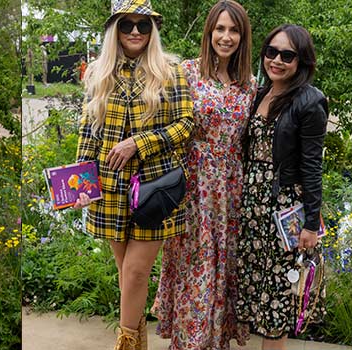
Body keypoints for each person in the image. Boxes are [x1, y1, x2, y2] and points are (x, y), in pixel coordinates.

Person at [71, 0, 193, 348]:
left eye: (143, 25)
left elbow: (186, 125)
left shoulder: (172, 71)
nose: (136, 32)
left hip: (156, 188)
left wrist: (139, 143)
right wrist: (79, 184)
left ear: (153, 29)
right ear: (115, 30)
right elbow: (87, 132)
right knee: (126, 275)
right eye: (127, 25)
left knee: (137, 271)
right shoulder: (98, 72)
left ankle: (124, 344)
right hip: (109, 187)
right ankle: (137, 340)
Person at [151, 1, 254, 348]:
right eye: (220, 29)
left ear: (243, 36)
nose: (226, 37)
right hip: (193, 184)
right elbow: (163, 119)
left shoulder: (249, 84)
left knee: (223, 266)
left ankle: (214, 340)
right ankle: (189, 341)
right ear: (209, 32)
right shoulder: (187, 73)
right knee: (194, 265)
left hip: (230, 187)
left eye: (234, 30)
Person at [235, 24, 327, 350]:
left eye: (287, 55)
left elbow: (313, 165)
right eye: (271, 52)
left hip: (283, 210)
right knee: (258, 294)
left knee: (278, 300)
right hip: (252, 208)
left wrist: (311, 224)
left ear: (301, 61)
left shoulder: (309, 101)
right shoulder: (261, 93)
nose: (276, 60)